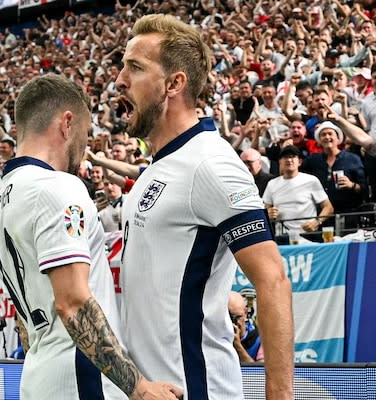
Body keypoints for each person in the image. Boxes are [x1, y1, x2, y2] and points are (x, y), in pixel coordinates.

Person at [115, 14, 293, 399]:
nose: (119, 80)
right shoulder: (156, 168)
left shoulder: (212, 164)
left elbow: (273, 279)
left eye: (135, 68)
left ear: (174, 83)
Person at [0, 74, 181, 399]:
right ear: (67, 123)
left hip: (39, 376)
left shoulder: (2, 200)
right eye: (86, 133)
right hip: (82, 380)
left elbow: (25, 323)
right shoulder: (57, 187)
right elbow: (72, 302)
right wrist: (140, 388)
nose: (84, 146)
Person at [264, 145, 334, 235]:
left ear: (299, 162)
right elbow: (265, 209)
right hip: (282, 236)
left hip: (308, 235)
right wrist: (268, 214)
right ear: (280, 162)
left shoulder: (311, 180)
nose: (289, 160)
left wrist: (316, 222)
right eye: (285, 157)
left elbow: (328, 207)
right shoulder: (272, 184)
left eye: (292, 157)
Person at [228, 291, 263, 363]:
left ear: (246, 313)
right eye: (230, 317)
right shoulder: (215, 337)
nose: (235, 322)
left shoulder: (259, 339)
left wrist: (237, 345)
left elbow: (258, 373)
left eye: (238, 317)